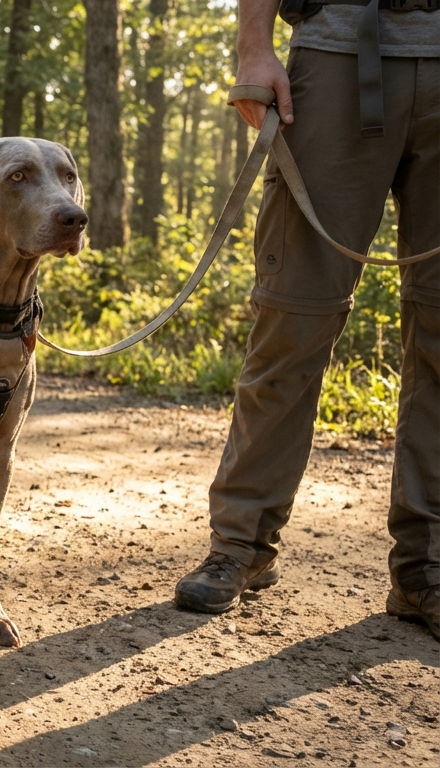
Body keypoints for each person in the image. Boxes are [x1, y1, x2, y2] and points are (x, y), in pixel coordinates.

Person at [172, 0, 440, 641]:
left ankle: (424, 569)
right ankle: (242, 543)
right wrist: (253, 46)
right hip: (336, 53)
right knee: (294, 316)